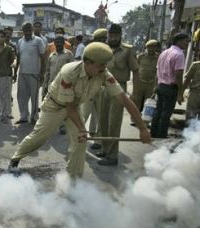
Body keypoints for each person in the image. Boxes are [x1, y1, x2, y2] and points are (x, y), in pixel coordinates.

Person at [8, 42, 151, 179]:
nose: (104, 68)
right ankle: (15, 158)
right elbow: (68, 106)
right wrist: (82, 129)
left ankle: (73, 179)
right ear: (88, 63)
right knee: (38, 137)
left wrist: (143, 128)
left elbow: (124, 100)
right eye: (101, 65)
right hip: (55, 106)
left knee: (81, 142)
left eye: (105, 65)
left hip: (74, 107)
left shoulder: (104, 73)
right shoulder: (69, 72)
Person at [98, 23, 140, 166]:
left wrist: (134, 93)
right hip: (103, 87)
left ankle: (112, 156)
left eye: (115, 35)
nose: (113, 38)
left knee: (113, 123)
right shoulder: (103, 49)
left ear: (120, 36)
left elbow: (135, 70)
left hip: (119, 88)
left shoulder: (128, 50)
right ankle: (104, 149)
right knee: (102, 121)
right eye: (110, 35)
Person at [150, 33, 190, 138]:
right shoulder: (179, 54)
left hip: (161, 85)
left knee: (158, 111)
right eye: (186, 41)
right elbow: (178, 75)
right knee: (166, 113)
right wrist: (180, 92)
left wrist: (156, 86)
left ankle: (153, 132)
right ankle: (161, 135)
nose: (187, 44)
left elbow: (157, 71)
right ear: (179, 41)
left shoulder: (164, 53)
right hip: (170, 87)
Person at [81, 28, 108, 150]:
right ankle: (78, 135)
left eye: (104, 39)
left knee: (100, 114)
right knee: (84, 112)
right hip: (89, 85)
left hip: (102, 86)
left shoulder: (108, 51)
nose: (102, 41)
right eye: (99, 39)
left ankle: (97, 139)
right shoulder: (89, 50)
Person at [14, 22, 46, 125]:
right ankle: (24, 116)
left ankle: (34, 117)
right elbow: (18, 58)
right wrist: (15, 73)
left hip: (34, 74)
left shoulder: (38, 41)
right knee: (21, 96)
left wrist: (42, 73)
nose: (27, 32)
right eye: (25, 30)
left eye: (29, 30)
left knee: (34, 97)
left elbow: (43, 58)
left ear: (32, 30)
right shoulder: (20, 41)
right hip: (22, 73)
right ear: (22, 30)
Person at [131, 39, 160, 113]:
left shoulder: (159, 58)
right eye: (149, 47)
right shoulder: (141, 56)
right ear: (146, 48)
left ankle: (145, 120)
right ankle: (134, 119)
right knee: (137, 101)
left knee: (148, 102)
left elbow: (159, 71)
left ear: (156, 48)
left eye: (153, 47)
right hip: (140, 82)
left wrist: (157, 85)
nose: (151, 49)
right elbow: (135, 69)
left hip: (151, 83)